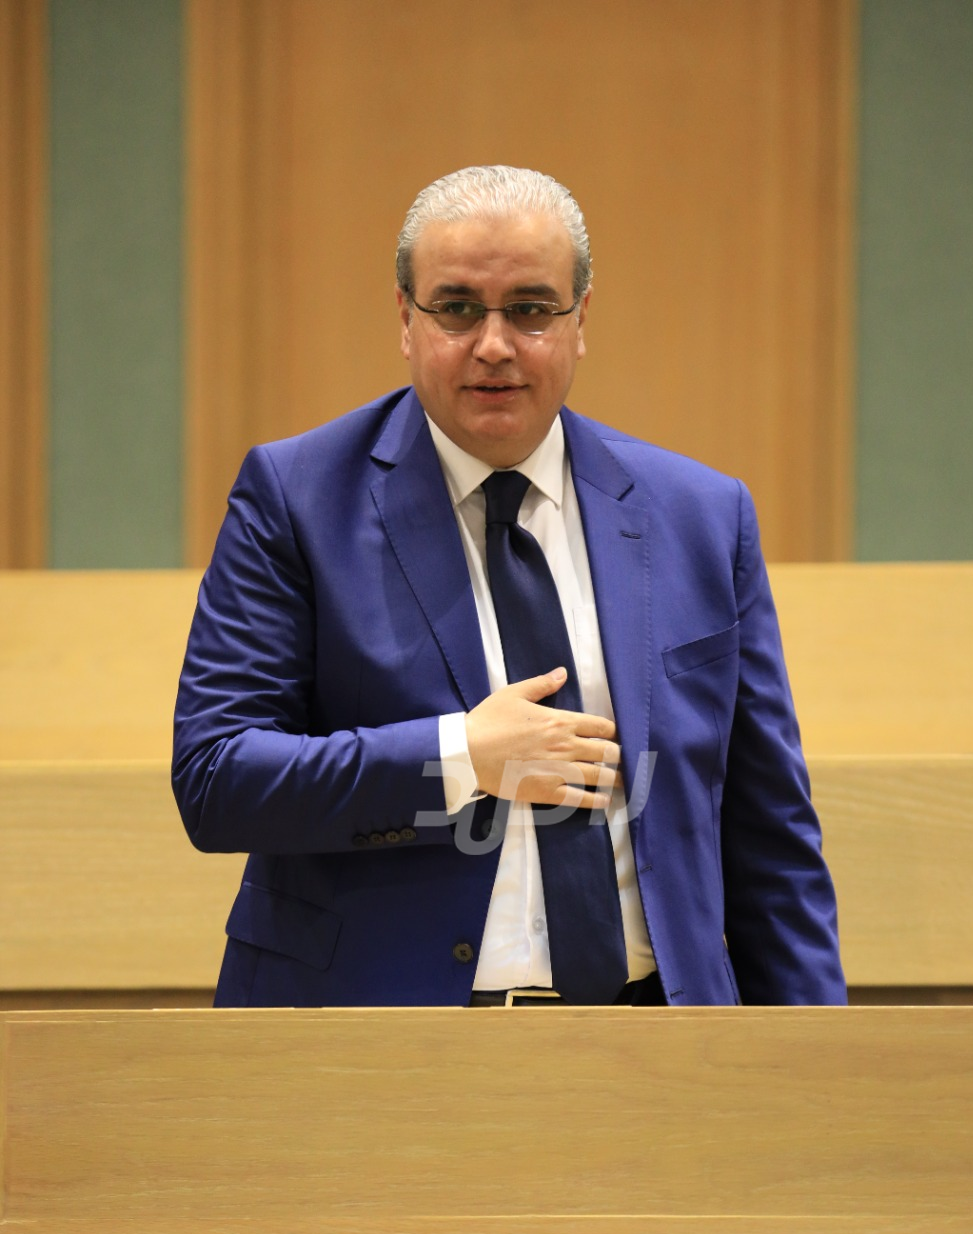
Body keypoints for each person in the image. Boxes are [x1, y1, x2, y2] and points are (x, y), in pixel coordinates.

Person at [172, 165, 846, 1008]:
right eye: (457, 308)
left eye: (530, 309)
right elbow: (218, 777)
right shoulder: (298, 499)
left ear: (580, 320)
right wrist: (459, 758)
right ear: (406, 319)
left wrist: (813, 1057)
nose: (494, 344)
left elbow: (771, 838)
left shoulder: (701, 516)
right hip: (380, 1038)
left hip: (652, 1035)